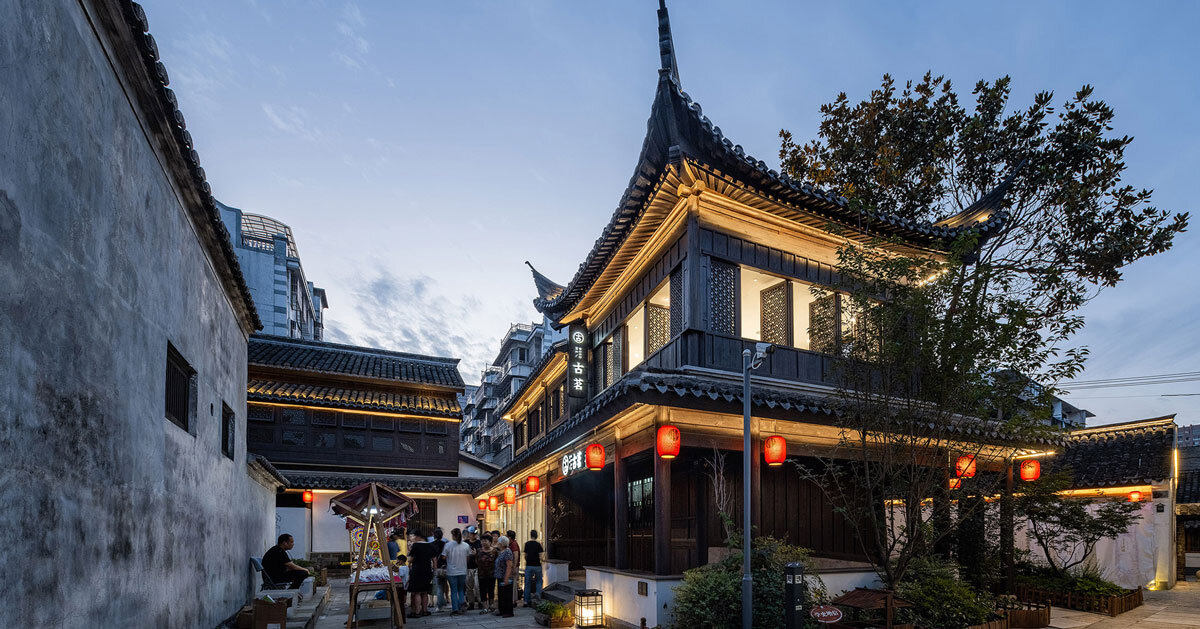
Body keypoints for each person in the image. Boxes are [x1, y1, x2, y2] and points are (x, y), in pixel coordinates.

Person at [441, 528, 472, 615]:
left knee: (453, 590)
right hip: (462, 570)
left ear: (453, 535)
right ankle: (461, 605)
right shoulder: (466, 545)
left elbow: (443, 557)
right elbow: (468, 557)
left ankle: (455, 609)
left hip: (451, 571)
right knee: (461, 589)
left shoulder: (448, 545)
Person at [406, 530, 437, 617]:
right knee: (425, 592)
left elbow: (410, 559)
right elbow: (434, 559)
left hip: (417, 571)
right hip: (427, 571)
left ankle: (417, 612)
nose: (412, 538)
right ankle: (425, 610)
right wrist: (434, 571)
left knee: (417, 592)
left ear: (417, 536)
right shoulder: (430, 545)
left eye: (412, 536)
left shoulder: (416, 545)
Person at [375, 531, 406, 600]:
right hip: (395, 560)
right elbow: (398, 551)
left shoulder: (388, 544)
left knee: (390, 577)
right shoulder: (396, 543)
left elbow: (385, 552)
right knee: (395, 576)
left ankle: (390, 595)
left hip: (389, 561)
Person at [475, 534, 498, 615]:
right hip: (481, 574)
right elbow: (476, 561)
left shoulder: (495, 551)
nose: (484, 542)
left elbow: (497, 562)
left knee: (491, 589)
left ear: (490, 542)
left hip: (492, 574)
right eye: (482, 541)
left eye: (486, 541)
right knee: (482, 590)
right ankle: (485, 607)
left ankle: (491, 605)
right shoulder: (478, 551)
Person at [494, 535, 515, 618]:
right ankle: (502, 610)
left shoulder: (507, 552)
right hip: (500, 576)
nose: (497, 543)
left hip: (505, 577)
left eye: (499, 542)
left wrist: (506, 578)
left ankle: (508, 612)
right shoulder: (502, 552)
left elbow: (509, 566)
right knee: (501, 595)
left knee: (507, 595)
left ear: (502, 544)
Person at [523, 530, 544, 605]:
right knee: (539, 581)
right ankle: (538, 594)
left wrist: (528, 560)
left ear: (530, 535)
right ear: (536, 535)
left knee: (527, 583)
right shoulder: (538, 545)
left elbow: (525, 555)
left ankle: (526, 600)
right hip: (537, 565)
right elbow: (541, 556)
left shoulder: (527, 544)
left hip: (529, 565)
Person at [432, 527, 448, 612]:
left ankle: (439, 605)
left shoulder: (432, 544)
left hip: (437, 567)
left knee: (439, 587)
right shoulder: (445, 544)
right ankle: (443, 602)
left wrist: (435, 568)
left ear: (434, 535)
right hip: (445, 567)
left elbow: (434, 558)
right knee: (444, 585)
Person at [465, 527, 481, 610]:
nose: (473, 535)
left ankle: (480, 602)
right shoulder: (465, 543)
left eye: (474, 534)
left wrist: (476, 554)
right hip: (467, 567)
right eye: (471, 534)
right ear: (468, 534)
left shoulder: (479, 543)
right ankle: (471, 603)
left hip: (477, 567)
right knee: (469, 587)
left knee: (477, 586)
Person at [507, 530, 521, 606]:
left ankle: (513, 601)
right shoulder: (512, 544)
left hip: (513, 567)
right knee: (513, 584)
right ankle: (513, 600)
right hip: (513, 567)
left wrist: (514, 567)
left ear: (509, 537)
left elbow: (516, 555)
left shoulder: (514, 545)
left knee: (513, 584)